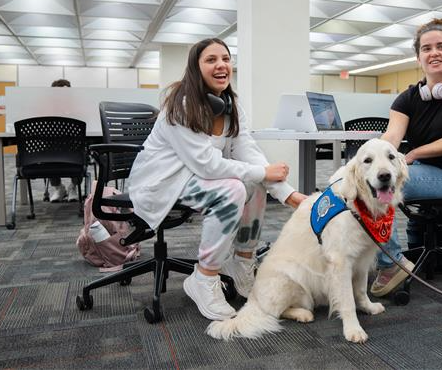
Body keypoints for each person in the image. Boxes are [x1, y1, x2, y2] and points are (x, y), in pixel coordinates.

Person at [127, 38, 307, 321]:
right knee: (232, 188)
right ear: (196, 68)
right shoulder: (181, 106)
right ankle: (204, 277)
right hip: (162, 183)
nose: (221, 65)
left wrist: (288, 194)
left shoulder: (230, 103)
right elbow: (207, 165)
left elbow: (247, 150)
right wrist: (263, 172)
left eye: (225, 58)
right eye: (211, 60)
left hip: (195, 178)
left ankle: (242, 263)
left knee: (252, 183)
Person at [370, 19, 442, 297]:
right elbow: (391, 137)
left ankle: (391, 263)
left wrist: (413, 154)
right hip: (419, 172)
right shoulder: (408, 97)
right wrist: (369, 160)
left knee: (380, 188)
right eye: (426, 48)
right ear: (418, 57)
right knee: (366, 183)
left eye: (441, 46)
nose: (434, 53)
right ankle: (384, 258)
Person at [48, 79, 81, 202]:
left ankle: (73, 187)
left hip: (73, 149)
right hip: (51, 150)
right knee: (48, 155)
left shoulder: (78, 110)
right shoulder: (46, 111)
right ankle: (58, 188)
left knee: (79, 153)